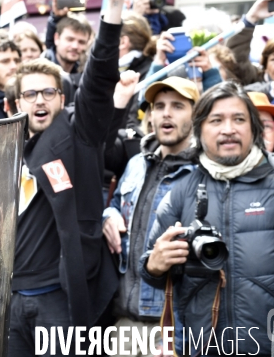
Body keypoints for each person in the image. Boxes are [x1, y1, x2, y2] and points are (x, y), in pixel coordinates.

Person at [8, 0, 123, 356]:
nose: (39, 100)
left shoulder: (79, 134)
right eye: (30, 94)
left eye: (48, 92)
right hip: (8, 301)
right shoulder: (3, 148)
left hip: (59, 299)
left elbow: (101, 77)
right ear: (15, 103)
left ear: (62, 99)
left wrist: (115, 3)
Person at [139, 82, 274, 356]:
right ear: (199, 130)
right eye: (216, 120)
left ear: (253, 128)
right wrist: (155, 264)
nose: (228, 129)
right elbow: (149, 269)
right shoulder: (181, 190)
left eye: (239, 119)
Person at [102, 76, 199, 355]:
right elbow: (117, 204)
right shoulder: (135, 164)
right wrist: (107, 216)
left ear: (196, 115)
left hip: (173, 325)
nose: (166, 112)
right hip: (124, 320)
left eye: (178, 106)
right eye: (158, 106)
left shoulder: (203, 173)